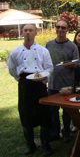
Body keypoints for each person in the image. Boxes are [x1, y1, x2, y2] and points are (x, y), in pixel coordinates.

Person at [9, 24, 54, 156]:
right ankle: (30, 144)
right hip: (25, 87)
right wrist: (22, 80)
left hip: (40, 85)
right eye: (25, 31)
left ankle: (45, 144)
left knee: (44, 114)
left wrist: (43, 78)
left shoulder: (43, 51)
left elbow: (49, 68)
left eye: (30, 30)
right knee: (25, 114)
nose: (28, 33)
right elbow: (13, 70)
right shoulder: (15, 52)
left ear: (36, 33)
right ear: (22, 33)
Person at [46, 19, 80, 143]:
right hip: (53, 83)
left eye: (63, 28)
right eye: (58, 27)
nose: (60, 29)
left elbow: (77, 65)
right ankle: (55, 132)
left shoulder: (72, 46)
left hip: (66, 85)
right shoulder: (49, 45)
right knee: (53, 111)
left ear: (68, 30)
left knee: (67, 111)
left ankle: (66, 132)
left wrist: (71, 65)